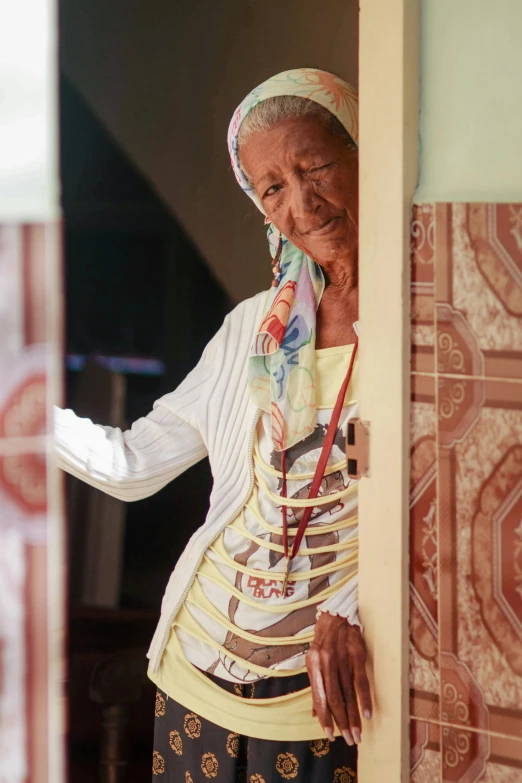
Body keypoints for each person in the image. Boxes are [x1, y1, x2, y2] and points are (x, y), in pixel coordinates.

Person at [55, 68, 372, 783]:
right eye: (273, 188)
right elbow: (133, 462)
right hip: (195, 673)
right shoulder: (249, 332)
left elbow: (439, 501)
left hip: (319, 697)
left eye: (315, 165)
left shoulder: (426, 321)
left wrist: (354, 603)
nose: (303, 202)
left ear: (363, 156)